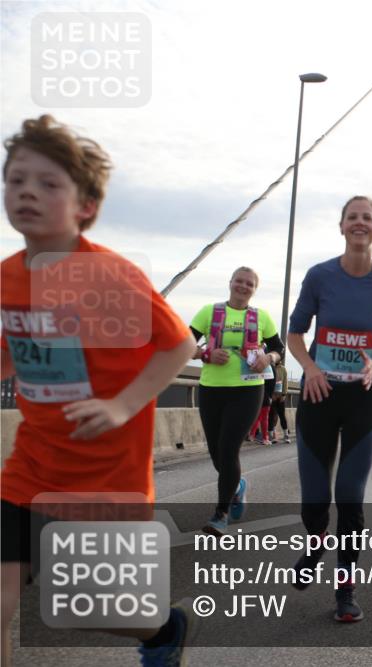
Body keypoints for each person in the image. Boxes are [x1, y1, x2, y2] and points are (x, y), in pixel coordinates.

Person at [1, 115, 198, 666]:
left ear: (85, 205)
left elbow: (179, 345)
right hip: (29, 470)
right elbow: (11, 354)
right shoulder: (7, 279)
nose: (27, 193)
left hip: (106, 481)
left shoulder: (111, 275)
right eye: (15, 180)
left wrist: (121, 404)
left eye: (47, 183)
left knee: (95, 609)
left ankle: (161, 631)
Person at [286, 196, 372, 623]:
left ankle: (345, 589)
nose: (360, 224)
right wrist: (311, 368)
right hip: (319, 395)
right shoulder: (319, 276)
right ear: (342, 227)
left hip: (363, 397)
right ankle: (315, 542)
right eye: (352, 218)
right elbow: (295, 332)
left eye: (367, 219)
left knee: (351, 497)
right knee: (314, 502)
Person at [190, 266, 284, 534]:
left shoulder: (261, 317)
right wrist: (204, 354)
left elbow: (278, 348)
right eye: (239, 281)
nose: (243, 286)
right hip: (211, 388)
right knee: (216, 453)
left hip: (247, 389)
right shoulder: (209, 312)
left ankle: (220, 514)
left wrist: (269, 358)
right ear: (230, 283)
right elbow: (183, 343)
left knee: (229, 449)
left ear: (255, 289)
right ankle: (238, 485)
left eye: (249, 284)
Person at [249, 355, 277, 444]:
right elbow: (273, 383)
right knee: (264, 418)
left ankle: (252, 435)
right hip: (266, 395)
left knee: (257, 416)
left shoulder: (257, 364)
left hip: (257, 393)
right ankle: (265, 438)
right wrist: (270, 396)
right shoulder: (271, 368)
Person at [268, 357, 291, 443]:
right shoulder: (270, 367)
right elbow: (269, 382)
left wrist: (284, 394)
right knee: (271, 416)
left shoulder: (283, 369)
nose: (278, 360)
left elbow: (285, 382)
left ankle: (286, 435)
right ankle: (271, 436)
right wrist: (271, 394)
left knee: (282, 416)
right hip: (273, 396)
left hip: (281, 396)